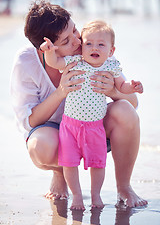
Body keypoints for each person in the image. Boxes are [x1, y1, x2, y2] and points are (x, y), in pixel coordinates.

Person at [10, 0, 147, 209]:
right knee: (41, 146)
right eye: (66, 41)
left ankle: (124, 186)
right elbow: (29, 121)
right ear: (45, 47)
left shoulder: (92, 46)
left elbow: (133, 103)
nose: (77, 41)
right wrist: (61, 92)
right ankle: (60, 173)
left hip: (93, 127)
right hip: (57, 132)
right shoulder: (26, 62)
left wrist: (112, 90)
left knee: (126, 112)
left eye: (74, 30)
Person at [40, 20, 143, 210]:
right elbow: (55, 62)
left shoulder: (111, 66)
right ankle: (77, 195)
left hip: (95, 127)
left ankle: (96, 195)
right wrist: (48, 51)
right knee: (69, 163)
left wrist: (132, 87)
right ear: (82, 46)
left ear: (111, 51)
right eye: (88, 43)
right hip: (70, 126)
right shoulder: (75, 61)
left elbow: (122, 87)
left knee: (97, 164)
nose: (94, 47)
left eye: (101, 45)